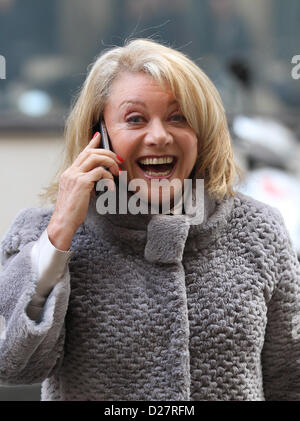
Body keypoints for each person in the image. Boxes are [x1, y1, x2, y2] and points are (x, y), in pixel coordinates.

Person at [0, 38, 299, 401]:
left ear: (201, 132)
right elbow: (13, 366)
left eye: (178, 117)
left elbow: (290, 378)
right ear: (101, 136)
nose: (158, 136)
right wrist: (61, 231)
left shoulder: (259, 230)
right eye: (135, 119)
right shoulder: (43, 233)